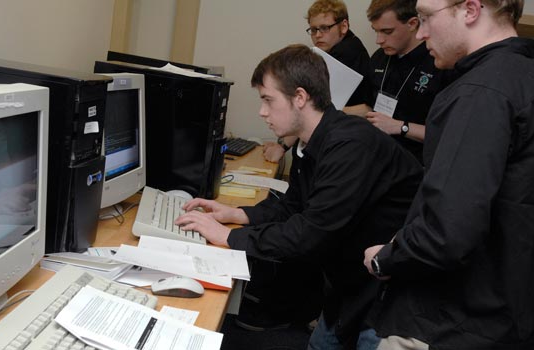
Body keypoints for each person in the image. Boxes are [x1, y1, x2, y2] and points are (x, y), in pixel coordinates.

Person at [176, 44, 423, 349]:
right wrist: (237, 215)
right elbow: (295, 206)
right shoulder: (311, 143)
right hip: (347, 284)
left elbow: (311, 232)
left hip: (385, 293)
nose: (261, 111)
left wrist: (229, 237)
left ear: (301, 98)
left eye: (268, 100)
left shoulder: (350, 145)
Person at [364, 0, 534, 349]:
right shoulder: (529, 79)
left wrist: (386, 257)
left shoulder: (479, 93)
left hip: (451, 320)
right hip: (509, 313)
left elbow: (448, 230)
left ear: (470, 10)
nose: (423, 31)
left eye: (428, 17)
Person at [345, 0, 454, 164]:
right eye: (376, 31)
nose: (379, 40)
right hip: (377, 155)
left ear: (412, 23)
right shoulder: (379, 58)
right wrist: (337, 110)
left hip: (417, 163)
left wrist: (400, 127)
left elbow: (449, 133)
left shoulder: (439, 63)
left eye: (387, 31)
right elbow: (369, 107)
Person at [262, 0, 372, 163]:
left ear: (343, 26)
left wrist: (282, 146)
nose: (318, 35)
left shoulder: (344, 55)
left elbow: (311, 110)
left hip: (341, 144)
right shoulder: (348, 48)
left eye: (325, 28)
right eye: (313, 30)